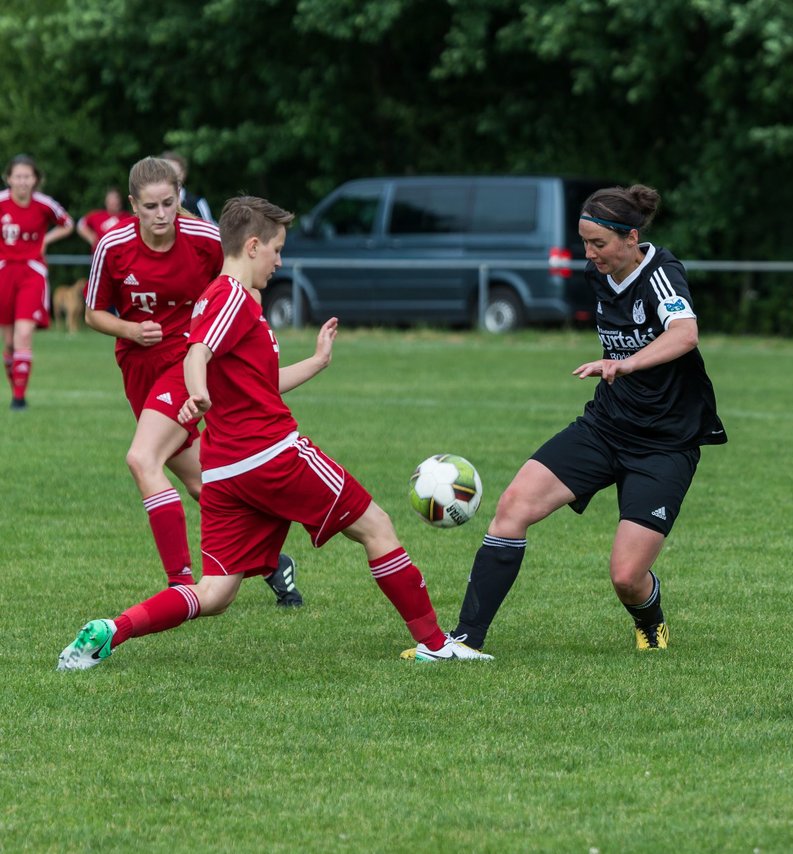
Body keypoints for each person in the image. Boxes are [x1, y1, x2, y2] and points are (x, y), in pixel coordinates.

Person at [58, 195, 489, 670]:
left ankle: (110, 631)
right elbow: (196, 354)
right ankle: (434, 644)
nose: (280, 261)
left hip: (225, 472)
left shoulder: (221, 299)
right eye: (277, 250)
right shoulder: (230, 297)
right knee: (377, 527)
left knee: (216, 592)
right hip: (273, 456)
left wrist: (318, 361)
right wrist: (198, 393)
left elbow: (260, 381)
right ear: (254, 245)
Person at [447, 184, 727, 655]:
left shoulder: (660, 273)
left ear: (630, 238)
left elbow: (685, 334)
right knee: (513, 507)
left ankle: (651, 621)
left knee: (626, 577)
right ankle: (464, 641)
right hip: (605, 425)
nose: (589, 253)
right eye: (584, 242)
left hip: (664, 444)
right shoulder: (597, 274)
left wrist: (627, 363)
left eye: (598, 243)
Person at [85, 157, 301, 604]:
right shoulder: (112, 246)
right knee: (203, 481)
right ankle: (271, 560)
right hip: (138, 369)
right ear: (132, 206)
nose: (161, 214)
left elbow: (246, 284)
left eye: (169, 202)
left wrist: (249, 343)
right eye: (150, 206)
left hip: (188, 363)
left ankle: (181, 583)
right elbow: (93, 312)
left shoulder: (204, 239)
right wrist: (129, 329)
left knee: (143, 459)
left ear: (180, 197)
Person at [0, 154, 74, 410]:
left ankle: (19, 398)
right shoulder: (1, 202)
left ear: (35, 180)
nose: (22, 182)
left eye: (27, 177)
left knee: (23, 334)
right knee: (9, 341)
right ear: (9, 178)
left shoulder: (44, 204)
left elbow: (67, 224)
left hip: (32, 273)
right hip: (4, 272)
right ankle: (15, 389)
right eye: (17, 176)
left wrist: (45, 241)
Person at [160, 150, 214, 223]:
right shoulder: (150, 201)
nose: (168, 176)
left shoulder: (197, 203)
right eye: (163, 172)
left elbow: (210, 230)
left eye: (173, 172)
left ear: (183, 174)